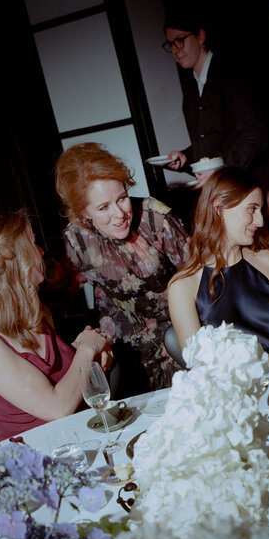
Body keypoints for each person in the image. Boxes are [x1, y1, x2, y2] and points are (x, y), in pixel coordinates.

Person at [0, 211, 112, 442]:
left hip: (86, 436)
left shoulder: (36, 312)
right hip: (38, 463)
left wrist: (94, 353)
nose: (41, 252)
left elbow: (68, 380)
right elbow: (57, 407)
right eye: (32, 244)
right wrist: (86, 350)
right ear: (14, 262)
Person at [56, 143, 189, 393]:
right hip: (121, 352)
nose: (119, 214)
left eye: (122, 198)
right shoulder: (77, 237)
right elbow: (60, 294)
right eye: (103, 207)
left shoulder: (155, 218)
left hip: (176, 339)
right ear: (83, 211)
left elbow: (201, 279)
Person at [168, 166, 269, 370]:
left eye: (261, 210)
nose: (260, 221)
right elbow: (199, 364)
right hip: (238, 397)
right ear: (219, 209)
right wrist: (263, 367)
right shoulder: (184, 285)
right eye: (252, 209)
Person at [162, 16, 269, 192]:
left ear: (200, 37)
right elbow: (211, 141)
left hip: (252, 184)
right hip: (223, 189)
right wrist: (185, 158)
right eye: (170, 44)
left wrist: (223, 171)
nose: (175, 50)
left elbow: (256, 133)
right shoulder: (191, 90)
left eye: (180, 40)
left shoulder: (231, 73)